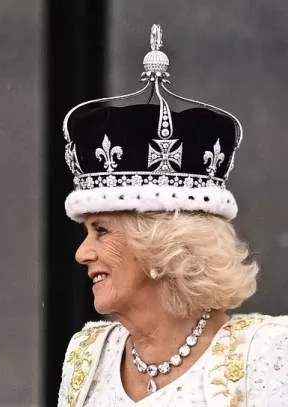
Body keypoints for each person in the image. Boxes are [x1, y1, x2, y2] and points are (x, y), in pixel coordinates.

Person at [56, 25, 288, 406]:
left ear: (163, 243)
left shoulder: (265, 354)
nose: (82, 253)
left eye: (101, 230)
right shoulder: (87, 354)